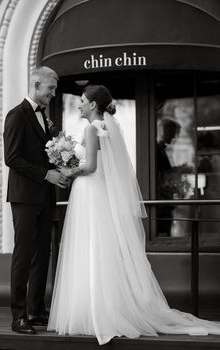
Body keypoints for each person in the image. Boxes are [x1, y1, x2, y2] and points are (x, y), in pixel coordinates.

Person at [48, 85, 220, 345]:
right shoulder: (105, 129)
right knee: (98, 248)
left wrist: (69, 169)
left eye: (82, 101)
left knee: (90, 247)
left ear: (94, 105)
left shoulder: (92, 129)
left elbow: (91, 167)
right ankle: (101, 307)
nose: (79, 105)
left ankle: (93, 312)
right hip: (95, 194)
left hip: (89, 192)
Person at [3, 66, 66, 335]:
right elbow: (12, 158)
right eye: (50, 89)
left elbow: (46, 155)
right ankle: (18, 317)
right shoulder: (16, 115)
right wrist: (46, 175)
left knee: (43, 253)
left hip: (45, 197)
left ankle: (36, 310)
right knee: (24, 255)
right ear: (37, 84)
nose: (53, 94)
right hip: (25, 197)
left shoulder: (45, 118)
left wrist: (63, 164)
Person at [156, 117, 181, 236]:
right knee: (163, 230)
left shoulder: (160, 149)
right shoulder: (156, 150)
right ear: (164, 131)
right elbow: (161, 174)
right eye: (172, 133)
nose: (174, 137)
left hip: (163, 200)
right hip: (161, 201)